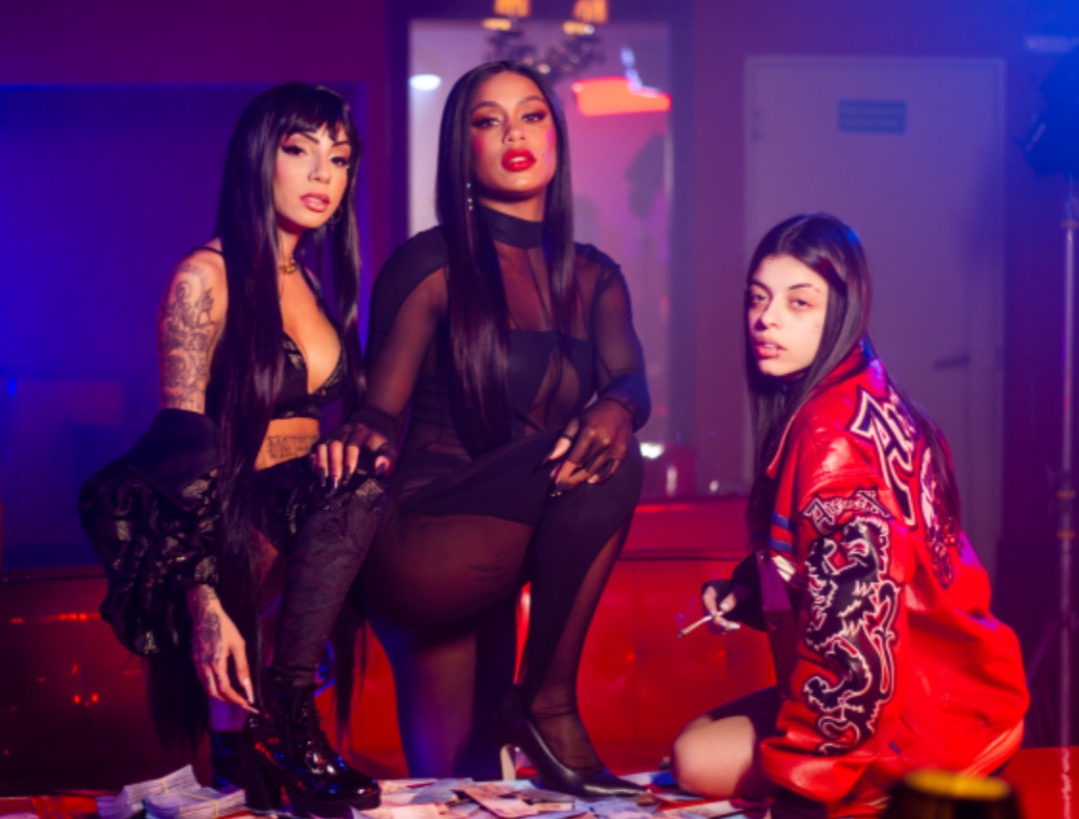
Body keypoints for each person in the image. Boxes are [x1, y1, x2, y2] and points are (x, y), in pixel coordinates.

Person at [313, 60, 649, 797]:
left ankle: (536, 704)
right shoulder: (430, 264)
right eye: (488, 121)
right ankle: (548, 704)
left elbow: (631, 380)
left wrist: (616, 406)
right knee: (608, 465)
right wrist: (359, 436)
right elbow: (378, 410)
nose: (513, 135)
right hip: (426, 537)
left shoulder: (595, 278)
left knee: (463, 794)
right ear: (461, 149)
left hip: (508, 534)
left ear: (556, 136)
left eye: (531, 116)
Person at [79, 83, 383, 817]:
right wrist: (203, 598)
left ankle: (288, 720)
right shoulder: (203, 276)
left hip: (308, 521)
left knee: (378, 479)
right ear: (257, 158)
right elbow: (180, 451)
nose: (323, 174)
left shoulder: (315, 280)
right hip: (231, 525)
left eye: (340, 158)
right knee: (242, 785)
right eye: (300, 151)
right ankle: (280, 723)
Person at [668, 213, 1029, 818]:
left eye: (799, 302)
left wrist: (805, 788)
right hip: (972, 693)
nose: (767, 319)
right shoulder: (877, 394)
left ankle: (884, 782)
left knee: (693, 757)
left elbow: (858, 624)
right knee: (702, 738)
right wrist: (751, 589)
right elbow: (862, 568)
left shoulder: (827, 437)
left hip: (925, 718)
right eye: (758, 298)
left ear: (843, 310)